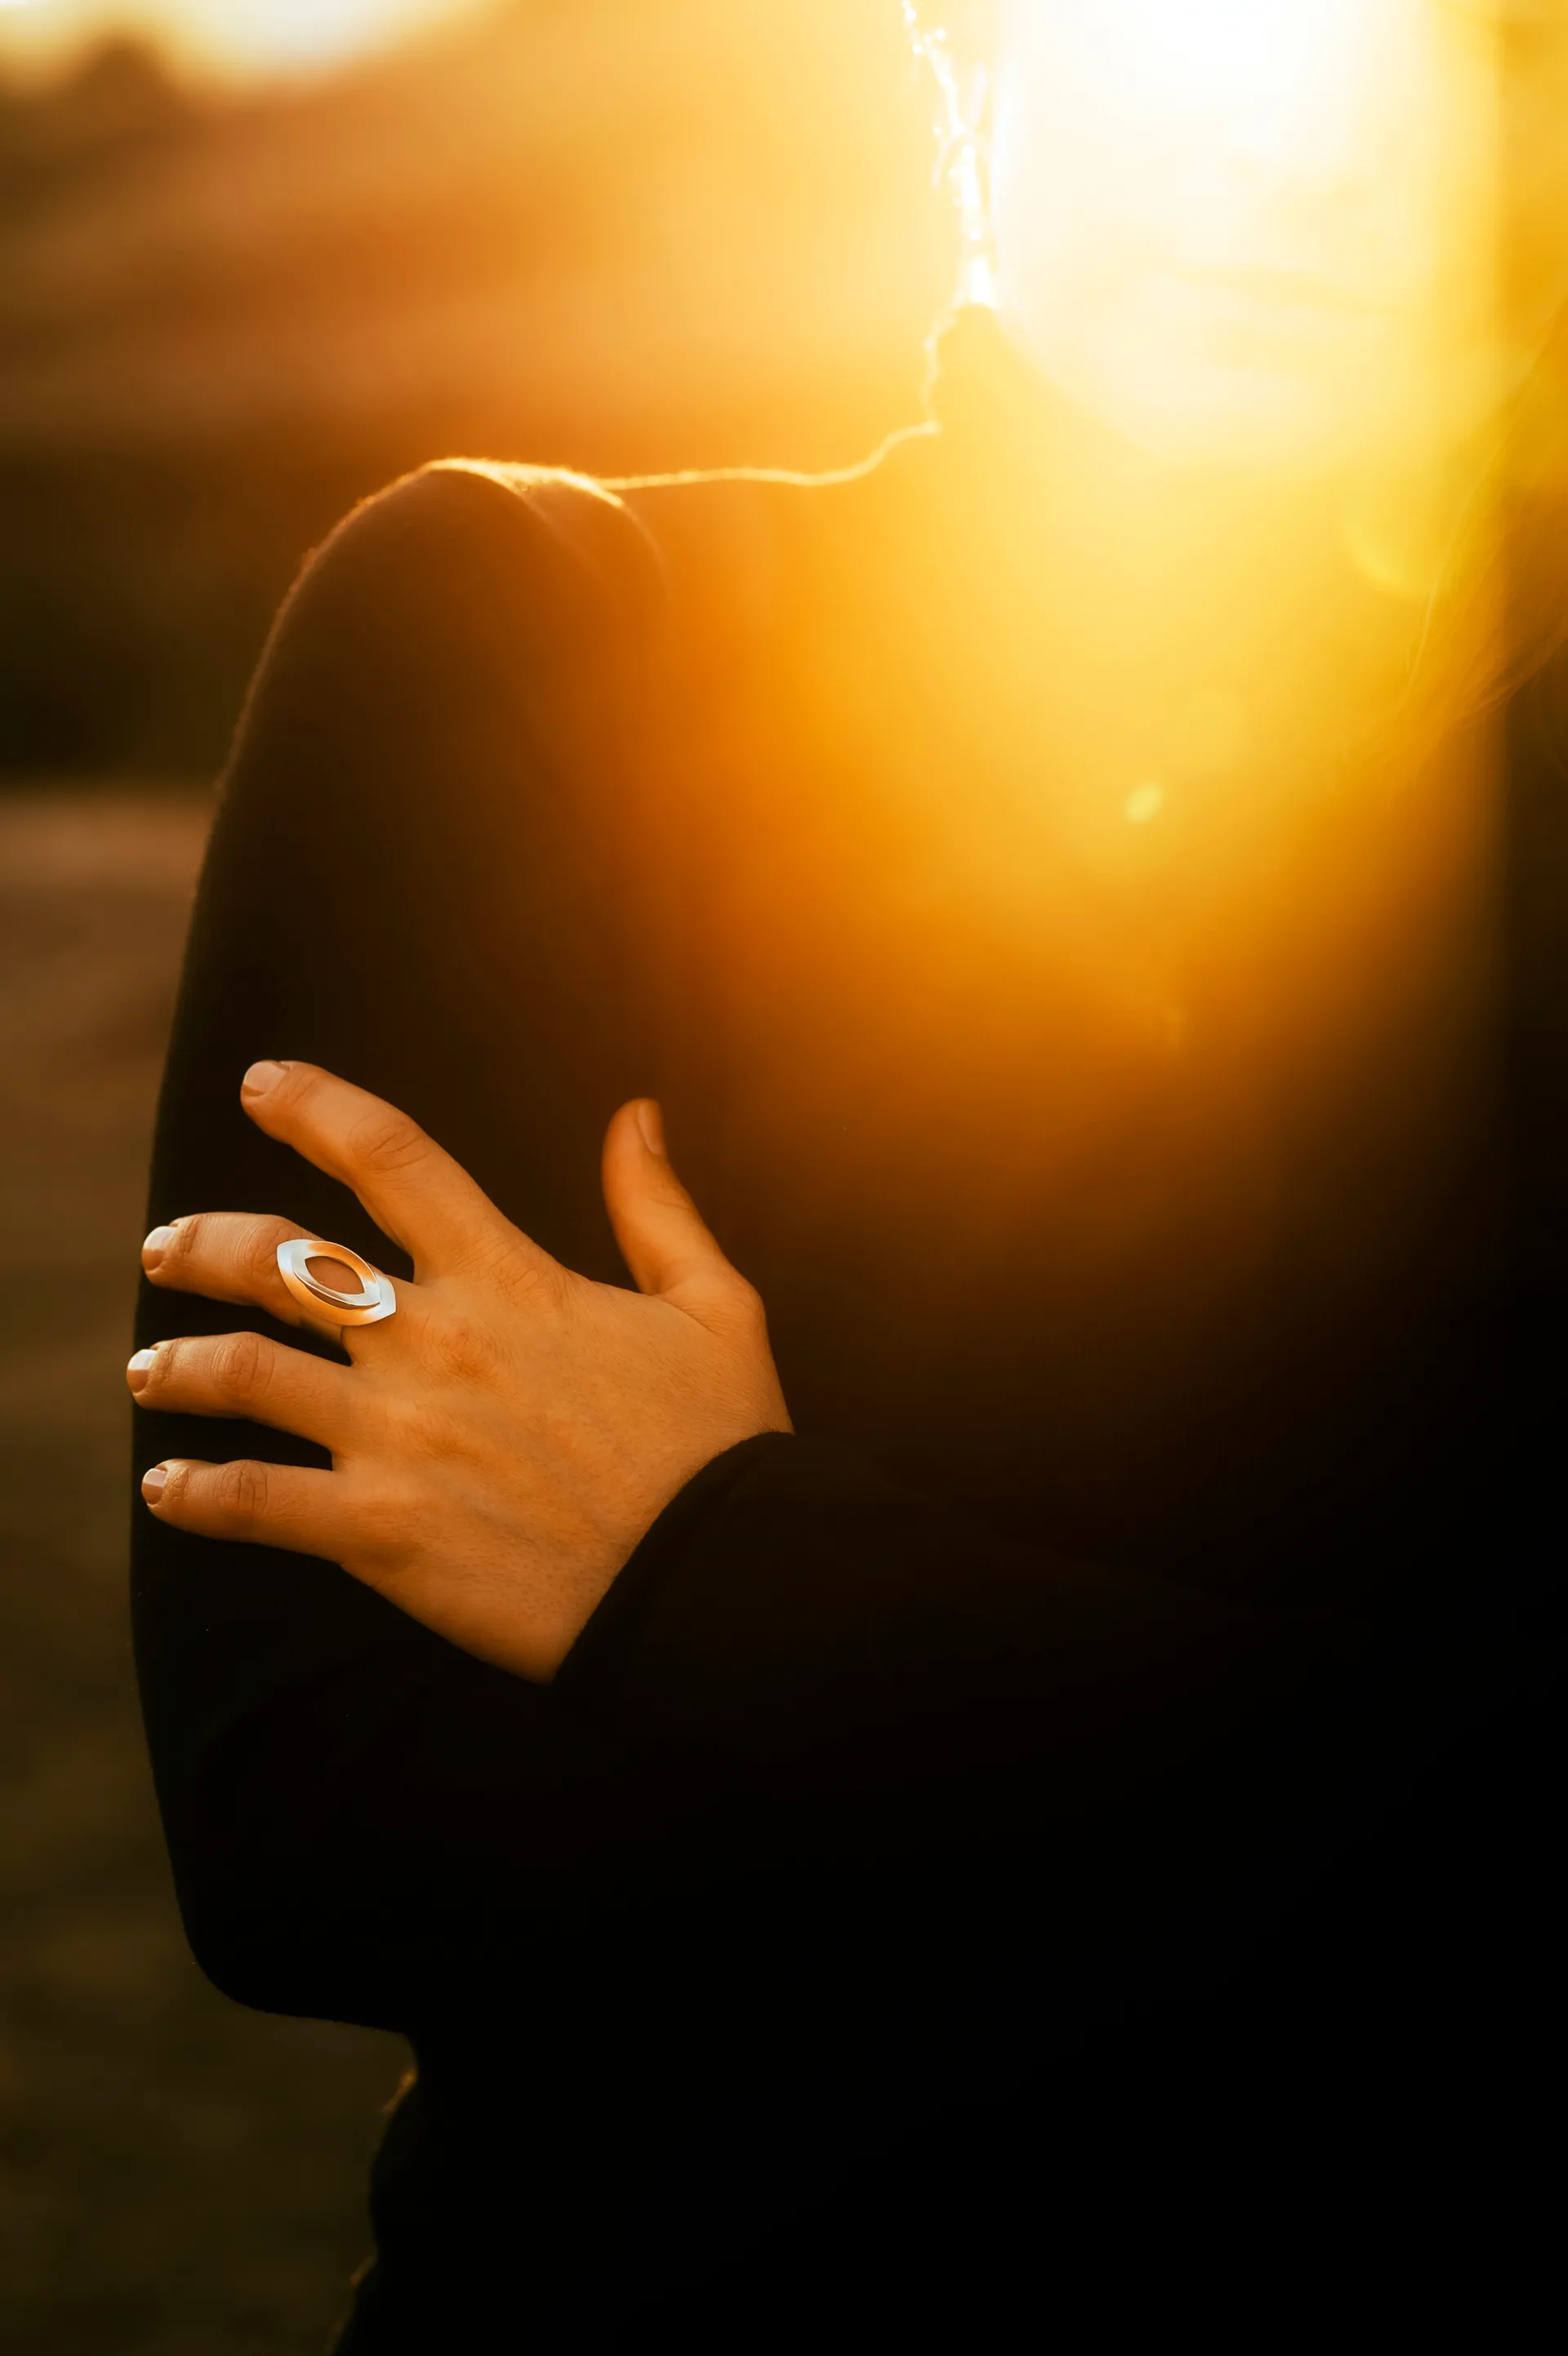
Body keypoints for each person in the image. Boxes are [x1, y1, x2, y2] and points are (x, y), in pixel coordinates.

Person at [127, 2, 1568, 2341]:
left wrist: (718, 1565)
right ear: (970, 56)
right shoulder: (525, 635)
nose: (1313, 170)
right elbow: (320, 1812)